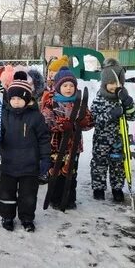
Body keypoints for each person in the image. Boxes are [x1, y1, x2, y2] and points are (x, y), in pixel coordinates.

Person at [0, 72, 50, 232]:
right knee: (6, 193)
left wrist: (45, 158)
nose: (16, 102)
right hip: (8, 164)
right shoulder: (3, 115)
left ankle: (27, 218)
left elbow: (44, 139)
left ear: (27, 99)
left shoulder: (36, 117)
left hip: (29, 166)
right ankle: (7, 216)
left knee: (28, 196)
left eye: (19, 99)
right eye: (13, 99)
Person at [41, 67, 93, 209]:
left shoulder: (79, 102)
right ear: (58, 86)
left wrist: (85, 121)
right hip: (56, 146)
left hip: (73, 147)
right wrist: (60, 125)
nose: (68, 88)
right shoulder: (51, 102)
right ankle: (55, 198)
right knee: (56, 174)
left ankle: (70, 199)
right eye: (65, 85)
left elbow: (89, 120)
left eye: (71, 85)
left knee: (71, 173)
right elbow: (46, 121)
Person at [90, 59, 135, 202]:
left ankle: (117, 188)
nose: (114, 86)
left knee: (118, 165)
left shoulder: (123, 99)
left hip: (119, 139)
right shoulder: (99, 100)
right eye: (111, 83)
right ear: (104, 83)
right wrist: (110, 115)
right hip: (101, 141)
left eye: (118, 83)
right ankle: (98, 187)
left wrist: (128, 102)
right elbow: (94, 119)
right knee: (99, 164)